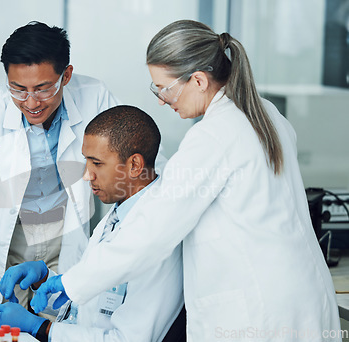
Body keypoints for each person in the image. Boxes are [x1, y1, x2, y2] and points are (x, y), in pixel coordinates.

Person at [32, 20, 341, 341]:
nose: (161, 100)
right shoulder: (265, 114)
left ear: (198, 80)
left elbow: (152, 230)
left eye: (164, 88)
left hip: (259, 313)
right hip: (300, 298)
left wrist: (71, 284)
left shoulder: (213, 137)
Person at [0, 21, 119, 307]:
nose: (31, 102)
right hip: (8, 240)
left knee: (57, 323)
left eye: (43, 89)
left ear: (66, 76)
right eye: (18, 89)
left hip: (64, 236)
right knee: (6, 323)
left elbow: (136, 156)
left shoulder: (95, 97)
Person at [0, 105, 184, 342]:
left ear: (134, 165)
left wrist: (40, 328)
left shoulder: (157, 234)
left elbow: (128, 339)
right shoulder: (115, 218)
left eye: (97, 163)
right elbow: (89, 310)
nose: (86, 175)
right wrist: (46, 280)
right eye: (86, 162)